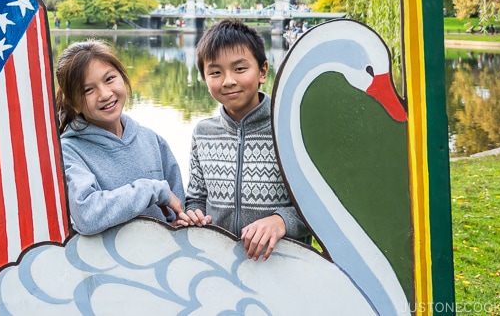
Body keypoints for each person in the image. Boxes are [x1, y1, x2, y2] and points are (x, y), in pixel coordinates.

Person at [184, 19, 311, 261]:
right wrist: (194, 216)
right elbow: (196, 199)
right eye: (215, 72)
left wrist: (281, 220)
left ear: (263, 71)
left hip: (284, 269)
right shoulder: (203, 133)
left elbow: (319, 206)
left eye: (240, 69)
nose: (228, 80)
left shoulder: (291, 128)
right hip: (219, 267)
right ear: (204, 77)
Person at [55, 39, 189, 235]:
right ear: (72, 102)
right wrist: (150, 190)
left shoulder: (152, 140)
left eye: (109, 79)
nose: (105, 94)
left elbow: (176, 211)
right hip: (101, 265)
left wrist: (183, 222)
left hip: (162, 262)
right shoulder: (68, 150)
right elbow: (86, 216)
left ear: (123, 76)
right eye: (88, 90)